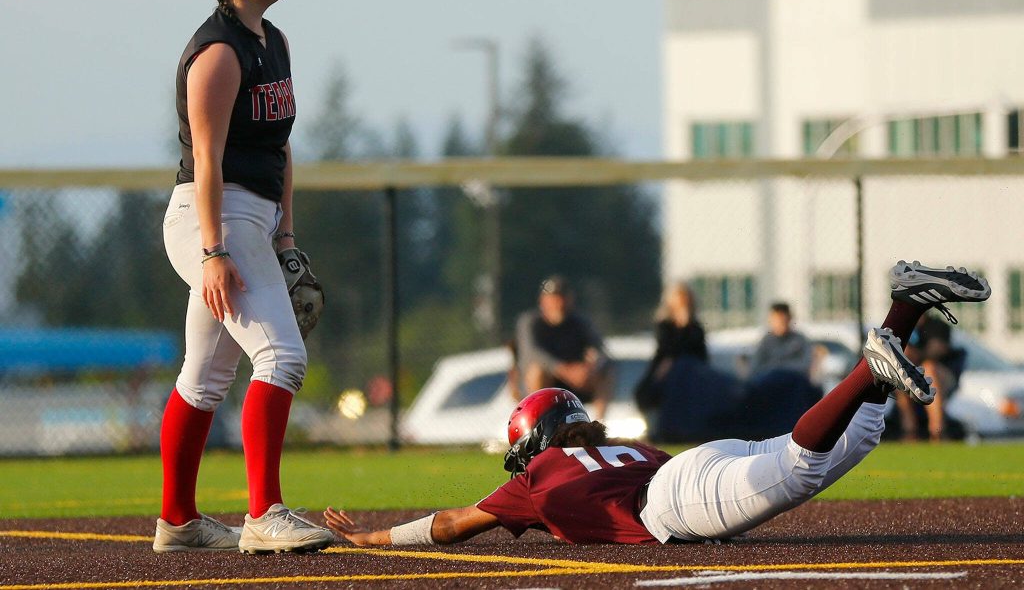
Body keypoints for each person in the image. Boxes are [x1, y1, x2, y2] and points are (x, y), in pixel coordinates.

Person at [323, 261, 989, 546]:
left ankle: (875, 355)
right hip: (686, 466)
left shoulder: (537, 476)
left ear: (533, 440)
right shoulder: (618, 443)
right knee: (855, 437)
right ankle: (904, 304)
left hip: (672, 499)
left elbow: (451, 522)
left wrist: (373, 535)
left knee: (803, 465)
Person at [154, 0, 333, 554]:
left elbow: (280, 148)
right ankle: (264, 513)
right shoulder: (219, 52)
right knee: (282, 358)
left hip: (249, 219)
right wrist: (214, 251)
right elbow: (207, 159)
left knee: (204, 376)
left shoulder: (273, 41)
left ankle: (178, 523)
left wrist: (285, 236)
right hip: (211, 216)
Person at [515, 276, 612, 419]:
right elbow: (533, 352)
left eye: (563, 298)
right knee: (537, 371)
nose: (559, 303)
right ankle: (539, 423)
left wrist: (590, 368)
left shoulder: (580, 322)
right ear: (543, 301)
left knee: (607, 372)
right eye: (554, 299)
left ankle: (599, 426)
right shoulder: (530, 322)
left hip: (574, 383)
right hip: (544, 383)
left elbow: (601, 351)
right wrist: (564, 370)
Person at [634, 282, 708, 412]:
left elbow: (700, 355)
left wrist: (686, 326)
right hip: (667, 376)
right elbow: (669, 349)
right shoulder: (664, 327)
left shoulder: (696, 329)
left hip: (691, 376)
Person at [897, 312, 955, 441]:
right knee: (901, 375)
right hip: (911, 375)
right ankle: (909, 431)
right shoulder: (901, 326)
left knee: (929, 369)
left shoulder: (936, 325)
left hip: (941, 375)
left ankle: (937, 430)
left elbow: (937, 349)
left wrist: (916, 354)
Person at [750, 302, 813, 377]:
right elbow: (756, 366)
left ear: (789, 319)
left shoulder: (799, 340)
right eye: (777, 319)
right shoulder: (766, 341)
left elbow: (805, 365)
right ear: (770, 320)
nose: (780, 323)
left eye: (783, 320)